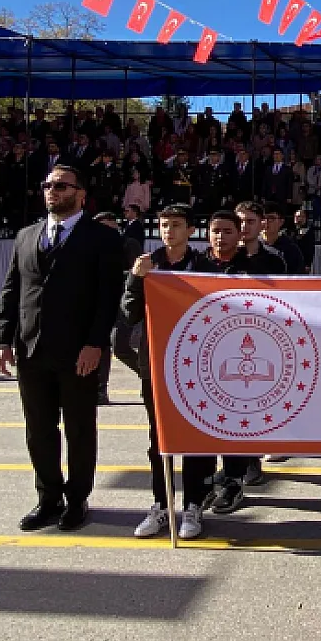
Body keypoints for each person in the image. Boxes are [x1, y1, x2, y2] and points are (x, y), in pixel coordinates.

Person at [0, 164, 126, 533]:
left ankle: (77, 498)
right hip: (31, 348)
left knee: (79, 428)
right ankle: (47, 497)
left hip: (78, 352)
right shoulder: (26, 236)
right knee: (39, 428)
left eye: (62, 185)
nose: (53, 191)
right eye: (48, 184)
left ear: (81, 194)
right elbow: (11, 291)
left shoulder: (100, 238)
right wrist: (2, 341)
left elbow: (107, 298)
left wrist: (95, 344)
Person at [172, 210, 271, 520]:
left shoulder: (255, 268)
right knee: (203, 419)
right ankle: (200, 487)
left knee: (236, 419)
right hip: (201, 356)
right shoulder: (195, 267)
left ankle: (233, 479)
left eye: (228, 231)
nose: (220, 236)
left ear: (238, 234)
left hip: (242, 357)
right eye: (215, 230)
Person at [122, 205, 197, 539]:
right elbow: (129, 312)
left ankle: (194, 505)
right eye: (165, 225)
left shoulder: (202, 266)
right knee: (158, 438)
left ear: (190, 231)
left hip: (196, 366)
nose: (169, 231)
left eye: (177, 225)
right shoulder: (148, 264)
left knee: (194, 438)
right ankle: (161, 504)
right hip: (155, 364)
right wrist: (137, 278)